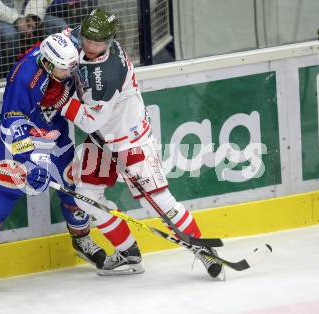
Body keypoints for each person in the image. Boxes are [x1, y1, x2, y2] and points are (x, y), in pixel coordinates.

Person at [59, 8, 224, 278]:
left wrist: (62, 103)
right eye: (87, 38)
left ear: (110, 41)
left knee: (161, 203)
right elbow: (63, 39)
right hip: (101, 141)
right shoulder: (82, 37)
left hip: (128, 142)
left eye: (97, 42)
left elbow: (89, 122)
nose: (89, 45)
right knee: (87, 198)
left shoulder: (108, 73)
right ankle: (128, 253)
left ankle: (202, 250)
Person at [0, 33, 108, 294]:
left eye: (71, 66)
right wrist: (27, 164)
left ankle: (82, 240)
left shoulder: (66, 53)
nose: (69, 72)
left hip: (54, 131)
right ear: (46, 62)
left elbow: (83, 33)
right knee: (3, 195)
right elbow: (12, 121)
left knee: (72, 184)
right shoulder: (23, 78)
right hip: (20, 135)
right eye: (64, 68)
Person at [0, 0, 69, 77]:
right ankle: (8, 78)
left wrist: (33, 17)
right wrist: (17, 20)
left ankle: (56, 74)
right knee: (9, 35)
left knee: (59, 27)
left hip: (28, 14)